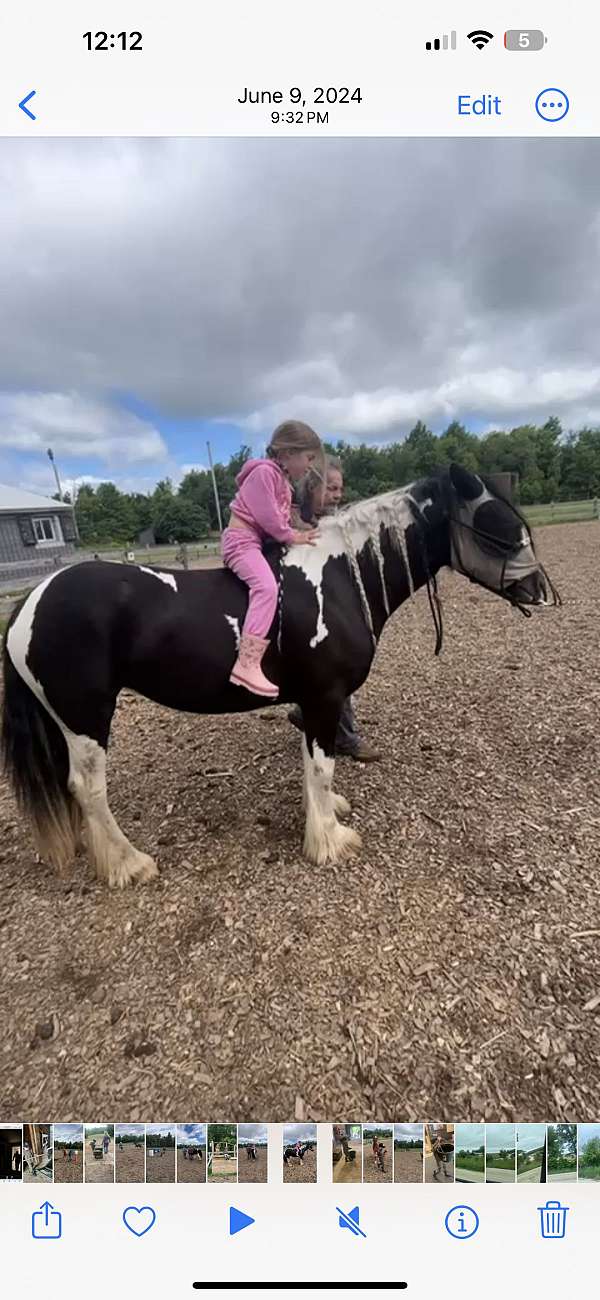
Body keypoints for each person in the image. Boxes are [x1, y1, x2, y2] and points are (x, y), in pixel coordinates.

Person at [288, 455, 381, 761]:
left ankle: (308, 713)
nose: (337, 495)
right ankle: (348, 739)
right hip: (304, 604)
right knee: (335, 673)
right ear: (312, 487)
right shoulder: (295, 520)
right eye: (331, 488)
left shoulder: (331, 520)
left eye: (340, 489)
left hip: (325, 603)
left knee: (331, 672)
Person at [222, 420, 322, 698]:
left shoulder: (282, 481)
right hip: (241, 543)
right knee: (266, 587)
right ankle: (247, 662)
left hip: (254, 541)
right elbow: (269, 519)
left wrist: (301, 531)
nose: (310, 465)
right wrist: (291, 536)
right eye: (308, 457)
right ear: (288, 453)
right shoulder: (265, 473)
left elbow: (283, 518)